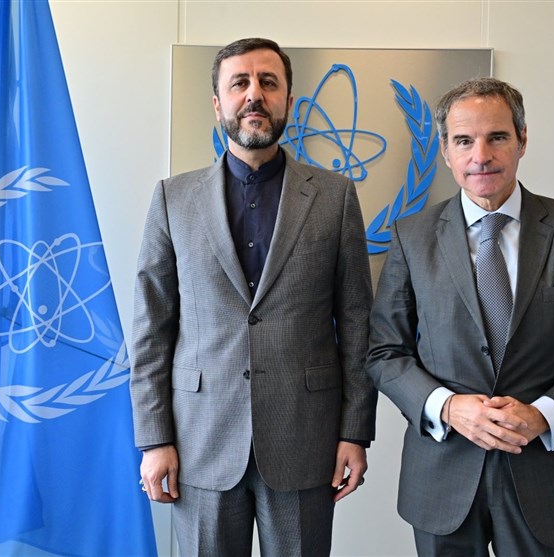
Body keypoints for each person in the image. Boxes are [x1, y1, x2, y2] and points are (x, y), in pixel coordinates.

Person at [365, 77, 554, 556]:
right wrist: (448, 407)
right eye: (464, 141)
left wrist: (542, 416)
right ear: (445, 151)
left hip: (545, 476)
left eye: (497, 137)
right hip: (443, 475)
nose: (481, 156)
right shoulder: (411, 236)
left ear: (522, 140)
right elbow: (385, 353)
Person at [130, 37, 377, 556]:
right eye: (239, 83)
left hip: (305, 439)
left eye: (268, 82)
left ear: (289, 99)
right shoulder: (173, 198)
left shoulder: (334, 197)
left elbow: (357, 324)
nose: (254, 95)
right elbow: (152, 329)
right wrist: (154, 439)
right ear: (218, 103)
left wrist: (355, 432)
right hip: (199, 441)